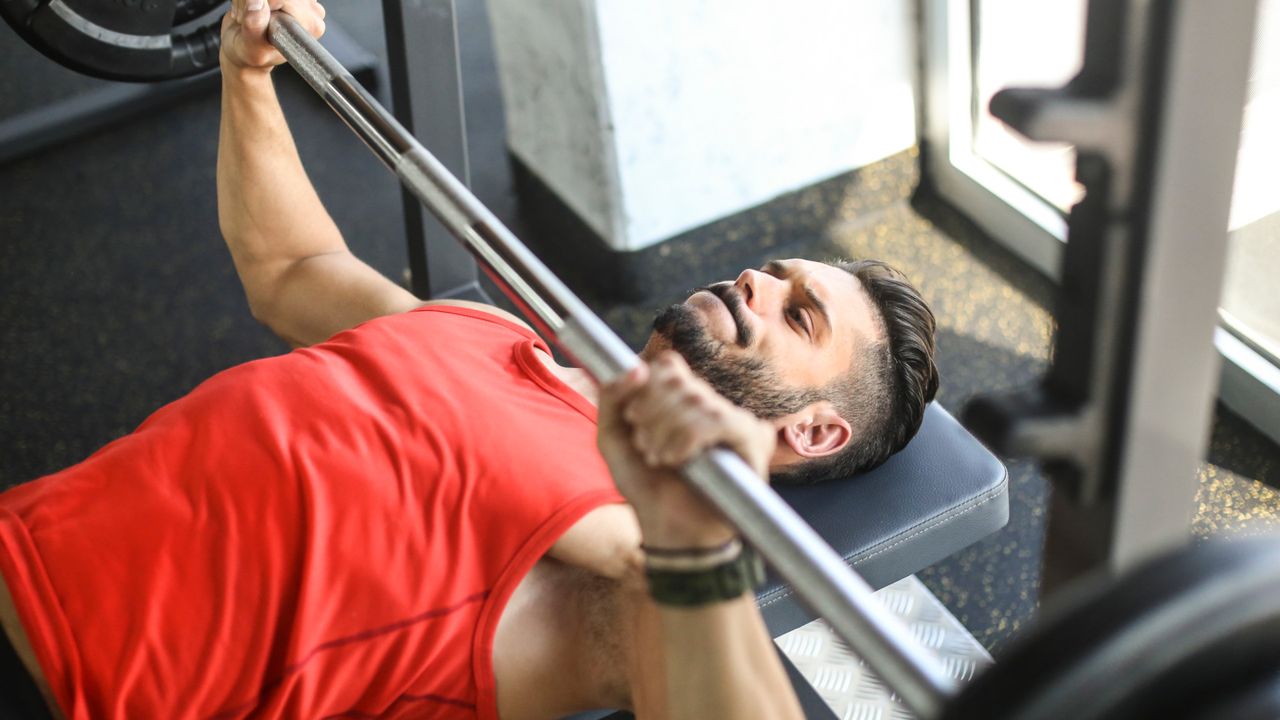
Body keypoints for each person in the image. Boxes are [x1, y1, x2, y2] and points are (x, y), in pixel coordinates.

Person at [0, 0, 939, 717]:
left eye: (799, 312)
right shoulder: (500, 336)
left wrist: (695, 535)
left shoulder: (631, 542)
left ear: (814, 428)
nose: (756, 282)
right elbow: (291, 270)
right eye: (776, 271)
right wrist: (247, 82)